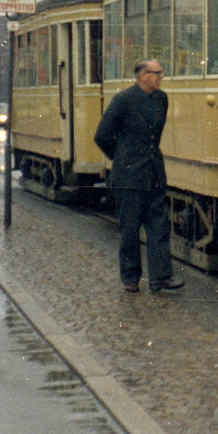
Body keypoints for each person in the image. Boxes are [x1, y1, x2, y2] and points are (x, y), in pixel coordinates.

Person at [93, 58, 184, 294]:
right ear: (143, 75)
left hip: (153, 173)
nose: (161, 77)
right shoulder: (123, 100)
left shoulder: (161, 99)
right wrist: (122, 157)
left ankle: (161, 277)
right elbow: (102, 135)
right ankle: (131, 278)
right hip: (129, 177)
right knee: (130, 230)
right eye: (157, 73)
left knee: (159, 226)